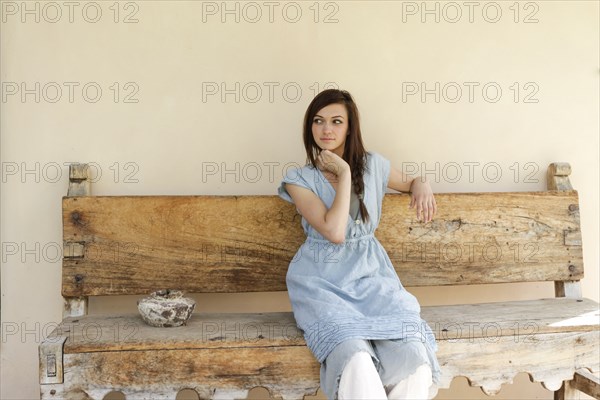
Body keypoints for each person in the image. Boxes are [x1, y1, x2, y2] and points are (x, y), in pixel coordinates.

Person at [277, 89, 442, 400]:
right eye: (318, 121)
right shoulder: (298, 180)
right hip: (322, 283)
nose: (326, 129)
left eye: (336, 121)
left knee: (414, 359)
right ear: (309, 127)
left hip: (371, 278)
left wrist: (421, 183)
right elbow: (335, 231)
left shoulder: (375, 165)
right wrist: (344, 173)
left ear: (349, 128)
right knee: (355, 357)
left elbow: (409, 183)